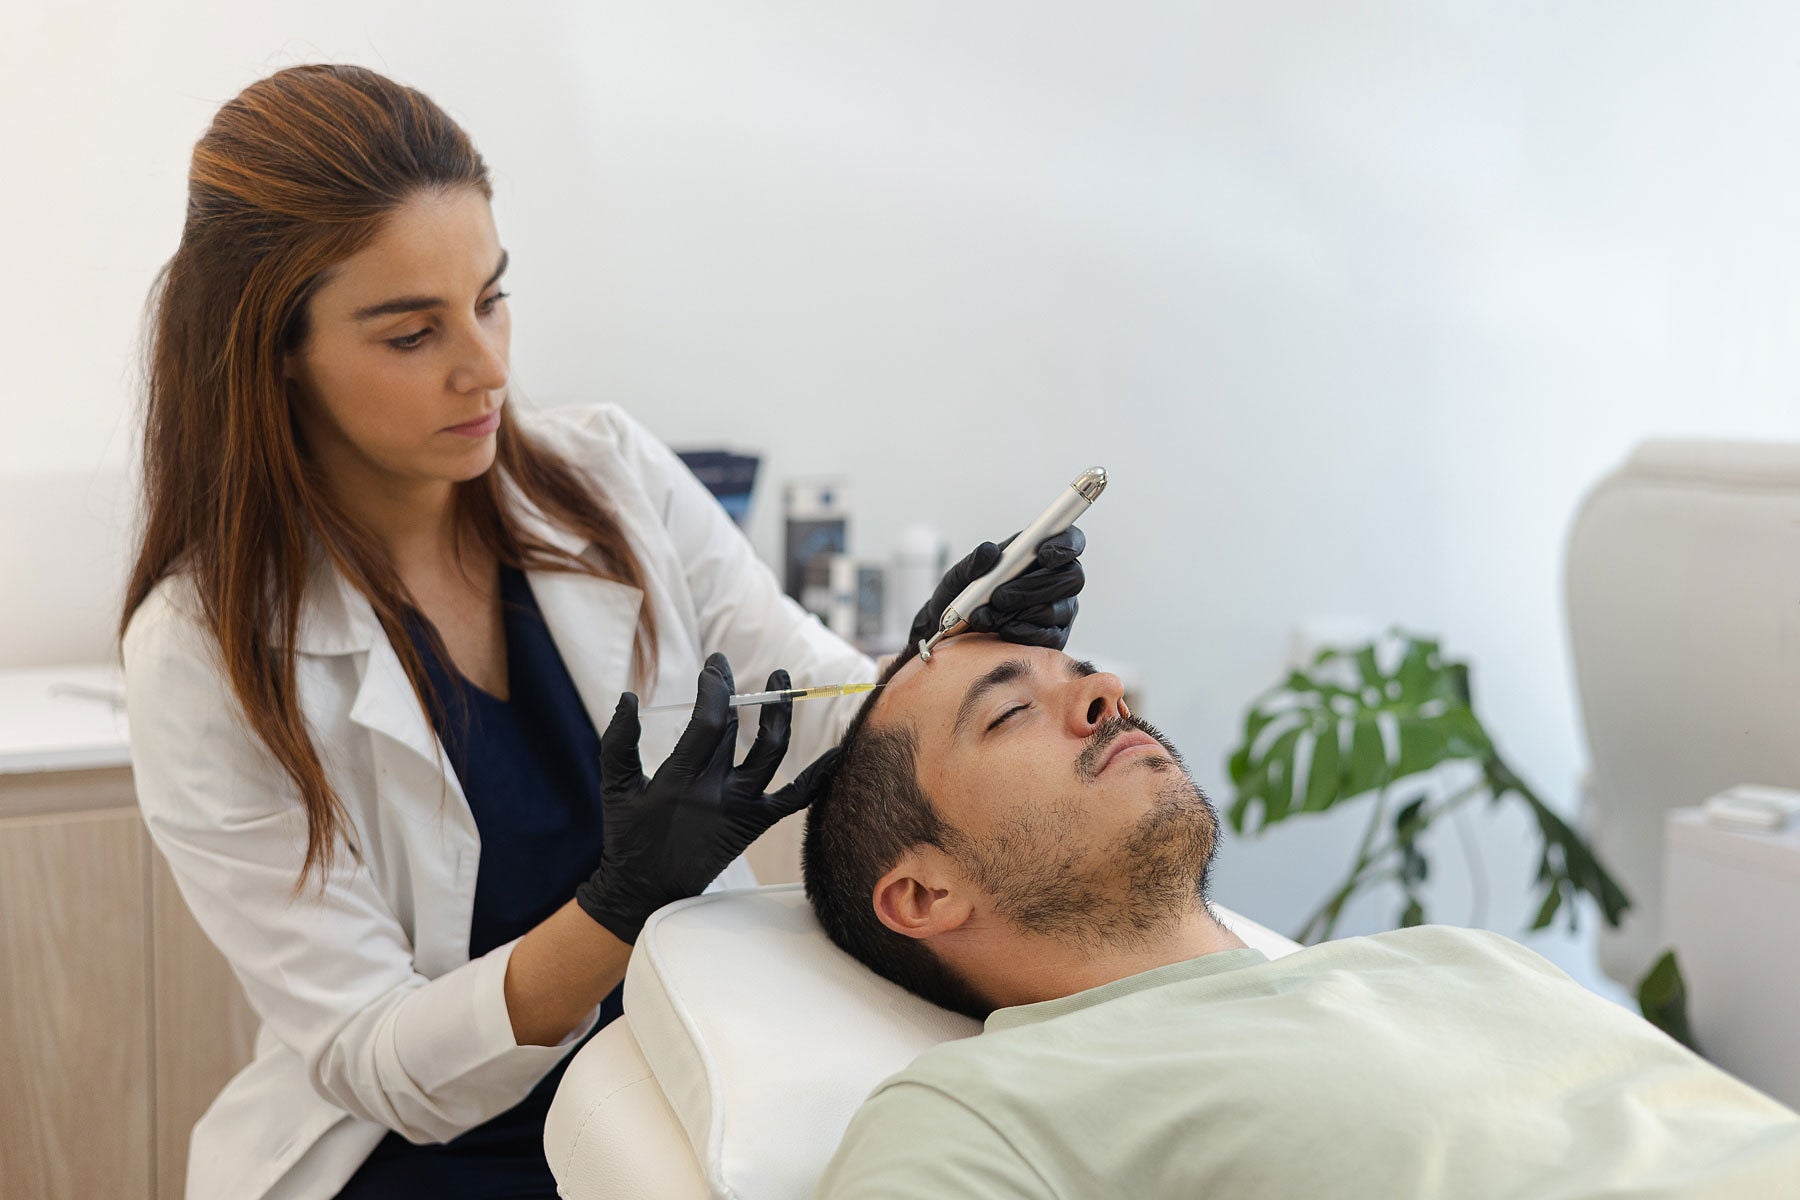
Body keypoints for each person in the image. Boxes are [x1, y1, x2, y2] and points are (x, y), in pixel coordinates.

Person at [120, 64, 1084, 1200]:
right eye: (410, 334)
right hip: (430, 1146)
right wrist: (615, 912)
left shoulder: (608, 476)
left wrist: (953, 657)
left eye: (491, 298)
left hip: (685, 1068)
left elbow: (817, 705)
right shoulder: (203, 652)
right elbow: (374, 1060)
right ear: (274, 350)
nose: (485, 367)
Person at [802, 634, 1800, 1199]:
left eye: (1083, 674)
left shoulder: (1455, 957)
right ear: (925, 894)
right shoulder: (989, 1105)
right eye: (1009, 711)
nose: (1107, 693)